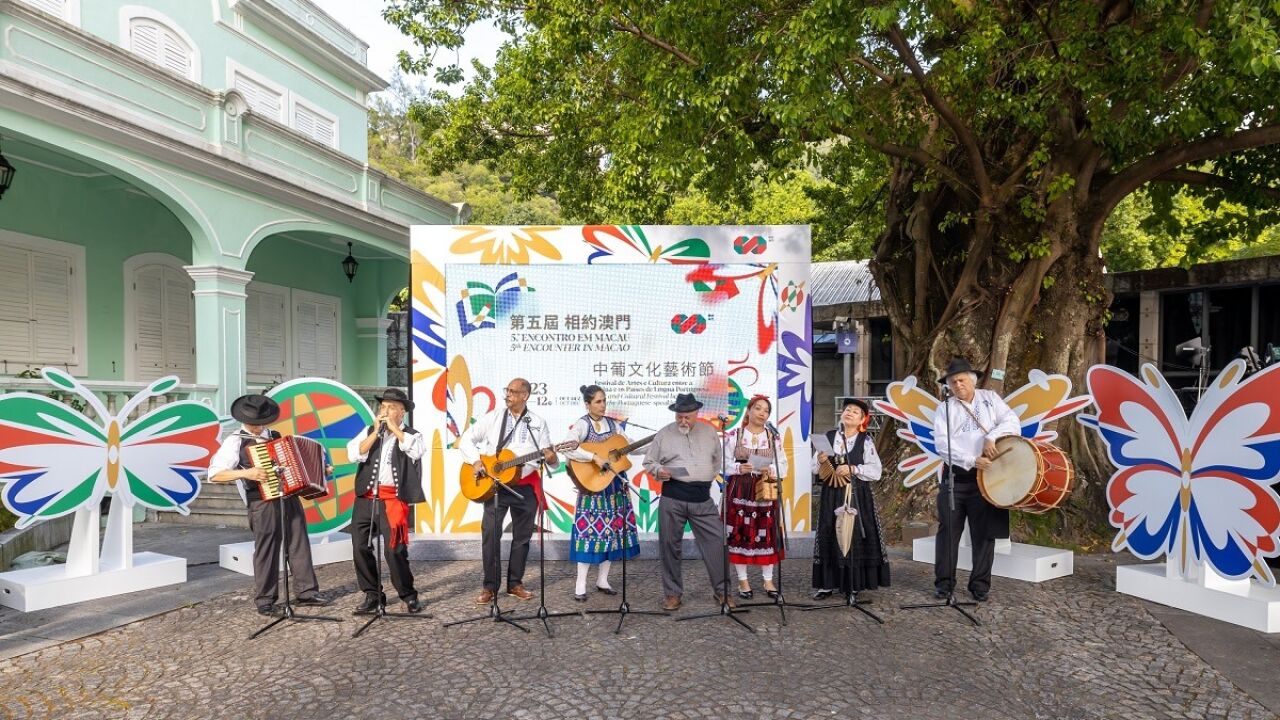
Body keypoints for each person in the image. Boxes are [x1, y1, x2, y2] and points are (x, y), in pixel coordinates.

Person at [207, 394, 330, 616]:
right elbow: (215, 474)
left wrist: (321, 470)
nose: (256, 428)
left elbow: (295, 466)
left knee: (299, 543)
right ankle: (265, 599)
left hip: (288, 497)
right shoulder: (235, 440)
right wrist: (248, 472)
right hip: (261, 502)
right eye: (252, 423)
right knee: (267, 550)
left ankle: (306, 592)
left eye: (260, 423)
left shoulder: (276, 436)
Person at [458, 377, 559, 604]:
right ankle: (490, 587)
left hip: (525, 487)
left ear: (525, 396)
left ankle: (515, 583)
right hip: (496, 486)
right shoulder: (494, 417)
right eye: (507, 391)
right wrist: (475, 461)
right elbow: (467, 438)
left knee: (522, 538)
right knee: (491, 535)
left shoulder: (537, 422)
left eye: (513, 392)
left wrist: (552, 456)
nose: (508, 395)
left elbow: (549, 457)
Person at [932, 357, 1020, 602]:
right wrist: (971, 460)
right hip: (956, 478)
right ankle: (944, 584)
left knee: (984, 534)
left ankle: (980, 585)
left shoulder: (990, 399)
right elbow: (942, 444)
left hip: (988, 478)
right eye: (952, 382)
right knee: (948, 531)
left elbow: (1013, 422)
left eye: (961, 380)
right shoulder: (945, 408)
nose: (957, 385)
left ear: (972, 380)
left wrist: (992, 436)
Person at [642, 392, 730, 612]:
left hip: (702, 497)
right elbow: (649, 461)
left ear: (696, 413)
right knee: (670, 545)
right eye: (679, 416)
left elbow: (716, 461)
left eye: (687, 417)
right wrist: (658, 471)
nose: (683, 421)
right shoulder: (664, 434)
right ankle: (672, 594)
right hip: (673, 497)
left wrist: (704, 476)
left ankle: (722, 591)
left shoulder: (709, 432)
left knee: (718, 541)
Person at [345, 388, 426, 615]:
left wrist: (394, 430)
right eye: (383, 407)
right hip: (366, 499)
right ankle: (372, 594)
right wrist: (374, 433)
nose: (386, 411)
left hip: (392, 500)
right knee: (360, 546)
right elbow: (353, 453)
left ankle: (408, 595)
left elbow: (416, 451)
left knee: (394, 551)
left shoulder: (412, 434)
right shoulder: (370, 431)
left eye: (391, 407)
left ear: (402, 412)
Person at [562, 385, 640, 601]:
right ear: (587, 404)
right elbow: (567, 447)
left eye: (604, 400)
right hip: (594, 488)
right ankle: (580, 584)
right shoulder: (582, 424)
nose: (603, 405)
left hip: (614, 485)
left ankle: (603, 579)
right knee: (589, 533)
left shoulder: (613, 425)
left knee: (612, 532)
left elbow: (627, 444)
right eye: (598, 401)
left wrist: (648, 445)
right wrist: (594, 458)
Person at [812, 398, 889, 599]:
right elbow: (813, 469)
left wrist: (853, 468)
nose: (849, 413)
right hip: (831, 493)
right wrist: (820, 461)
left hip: (856, 493)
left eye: (855, 412)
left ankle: (852, 583)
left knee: (852, 535)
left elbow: (876, 471)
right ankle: (827, 584)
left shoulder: (866, 441)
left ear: (862, 419)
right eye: (847, 409)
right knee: (828, 532)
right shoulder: (828, 437)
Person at [723, 395, 785, 599]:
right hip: (740, 489)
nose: (761, 413)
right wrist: (739, 467)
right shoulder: (734, 435)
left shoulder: (773, 437)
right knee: (740, 533)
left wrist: (771, 468)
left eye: (766, 410)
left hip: (765, 489)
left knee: (766, 533)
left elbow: (783, 466)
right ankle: (743, 581)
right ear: (748, 411)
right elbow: (721, 464)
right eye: (757, 408)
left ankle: (768, 580)